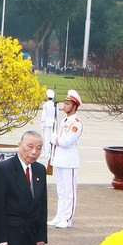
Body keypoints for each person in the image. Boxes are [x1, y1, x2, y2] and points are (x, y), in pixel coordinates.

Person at [50, 90, 83, 229]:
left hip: (69, 159)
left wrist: (55, 139)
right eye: (65, 103)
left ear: (74, 106)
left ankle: (68, 218)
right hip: (60, 158)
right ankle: (60, 216)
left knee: (69, 191)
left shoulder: (76, 123)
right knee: (61, 190)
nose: (65, 106)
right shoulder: (64, 121)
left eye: (68, 104)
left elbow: (65, 141)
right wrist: (56, 139)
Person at [40, 89, 57, 156]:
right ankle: (51, 151)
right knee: (51, 138)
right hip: (53, 122)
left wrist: (42, 124)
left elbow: (44, 115)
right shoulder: (55, 105)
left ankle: (46, 152)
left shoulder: (46, 105)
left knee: (46, 138)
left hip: (46, 122)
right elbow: (56, 115)